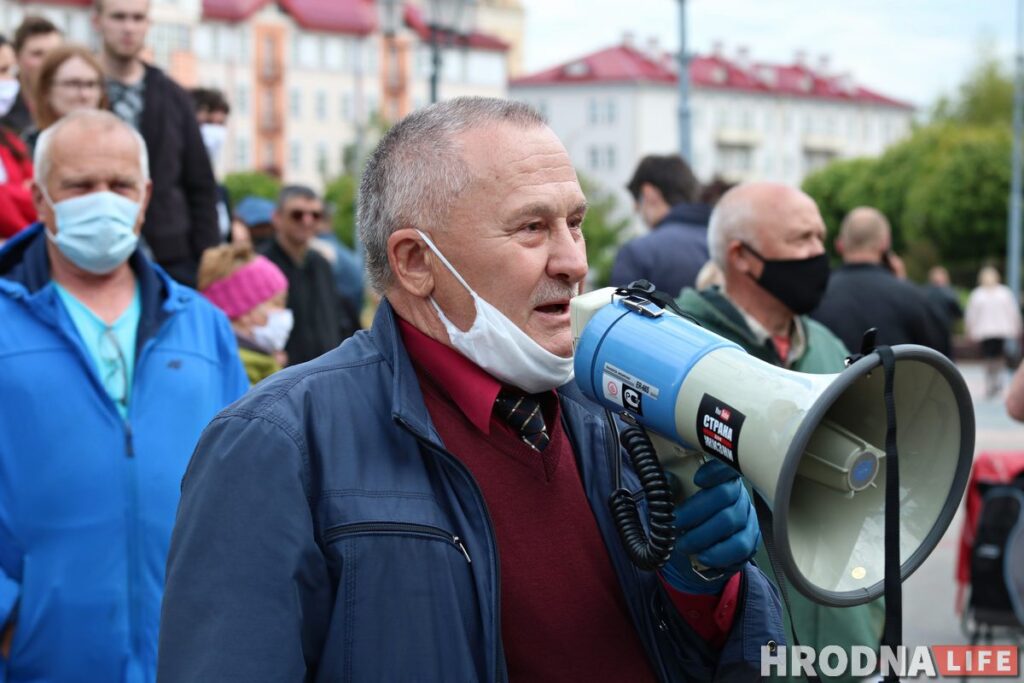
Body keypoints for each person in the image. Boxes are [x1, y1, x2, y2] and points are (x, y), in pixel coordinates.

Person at [158, 97, 782, 682]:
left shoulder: (617, 415)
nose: (573, 262)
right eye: (532, 228)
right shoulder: (280, 442)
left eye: (575, 223)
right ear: (415, 262)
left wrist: (705, 592)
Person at [0, 109, 248, 682]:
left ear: (145, 198)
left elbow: (245, 489)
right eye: (80, 186)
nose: (103, 200)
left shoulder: (203, 329)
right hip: (40, 658)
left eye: (119, 186)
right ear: (40, 198)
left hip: (185, 657)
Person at [676, 182, 884, 683]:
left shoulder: (829, 345)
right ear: (742, 257)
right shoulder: (683, 349)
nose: (819, 253)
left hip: (847, 644)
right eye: (801, 239)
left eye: (820, 236)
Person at [96, 0, 219, 287]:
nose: (128, 27)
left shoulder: (173, 97)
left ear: (148, 24)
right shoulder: (81, 88)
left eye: (137, 18)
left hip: (170, 258)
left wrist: (205, 259)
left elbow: (201, 183)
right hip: (95, 247)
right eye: (119, 17)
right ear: (97, 20)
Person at [812, 206, 948, 355]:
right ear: (885, 243)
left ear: (839, 244)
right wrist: (901, 285)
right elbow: (940, 365)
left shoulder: (815, 296)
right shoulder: (915, 299)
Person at [260, 185, 359, 364]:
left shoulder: (322, 264)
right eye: (297, 214)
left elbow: (334, 319)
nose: (307, 221)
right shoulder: (262, 266)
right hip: (283, 379)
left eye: (315, 215)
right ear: (277, 218)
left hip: (326, 373)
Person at [610, 153, 710, 297]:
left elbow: (619, 315)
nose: (636, 209)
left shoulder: (637, 253)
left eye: (637, 201)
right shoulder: (726, 245)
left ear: (648, 193)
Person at [198, 242, 292, 384]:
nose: (283, 312)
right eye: (277, 303)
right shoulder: (242, 373)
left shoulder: (262, 364)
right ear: (244, 312)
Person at [26, 45, 109, 152]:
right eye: (73, 84)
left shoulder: (116, 143)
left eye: (91, 84)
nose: (84, 94)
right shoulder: (27, 148)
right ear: (46, 89)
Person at [965, 265, 1023, 398]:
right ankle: (997, 380)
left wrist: (970, 330)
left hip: (985, 330)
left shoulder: (978, 294)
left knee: (988, 356)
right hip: (1000, 330)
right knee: (998, 355)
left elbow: (971, 315)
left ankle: (991, 381)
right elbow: (1013, 312)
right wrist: (1017, 327)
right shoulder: (1004, 293)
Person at [1, 16, 62, 136]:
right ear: (17, 57)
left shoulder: (77, 107)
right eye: (37, 54)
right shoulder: (4, 110)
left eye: (55, 53)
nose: (48, 61)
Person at [0, 36, 35, 239]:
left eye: (12, 72)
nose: (10, 82)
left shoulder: (11, 141)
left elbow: (38, 200)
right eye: (2, 71)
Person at [190, 87, 234, 242]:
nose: (215, 132)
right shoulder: (172, 190)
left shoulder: (220, 192)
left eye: (221, 124)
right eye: (208, 123)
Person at [925, 265, 963, 358]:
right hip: (945, 330)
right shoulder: (949, 292)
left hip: (928, 331)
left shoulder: (923, 292)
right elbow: (959, 312)